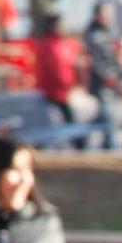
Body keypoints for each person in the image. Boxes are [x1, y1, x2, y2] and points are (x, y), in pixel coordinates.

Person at [35, 14, 85, 149]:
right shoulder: (49, 45)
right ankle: (79, 145)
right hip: (52, 91)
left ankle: (79, 145)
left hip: (62, 91)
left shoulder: (63, 44)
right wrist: (65, 84)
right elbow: (54, 69)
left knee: (66, 119)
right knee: (53, 120)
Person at [83, 2, 122, 150]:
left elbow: (113, 58)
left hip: (111, 81)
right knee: (109, 115)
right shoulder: (93, 35)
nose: (110, 17)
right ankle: (109, 146)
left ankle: (82, 135)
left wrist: (121, 73)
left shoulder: (106, 32)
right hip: (102, 82)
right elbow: (97, 60)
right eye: (106, 14)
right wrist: (108, 76)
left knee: (106, 115)